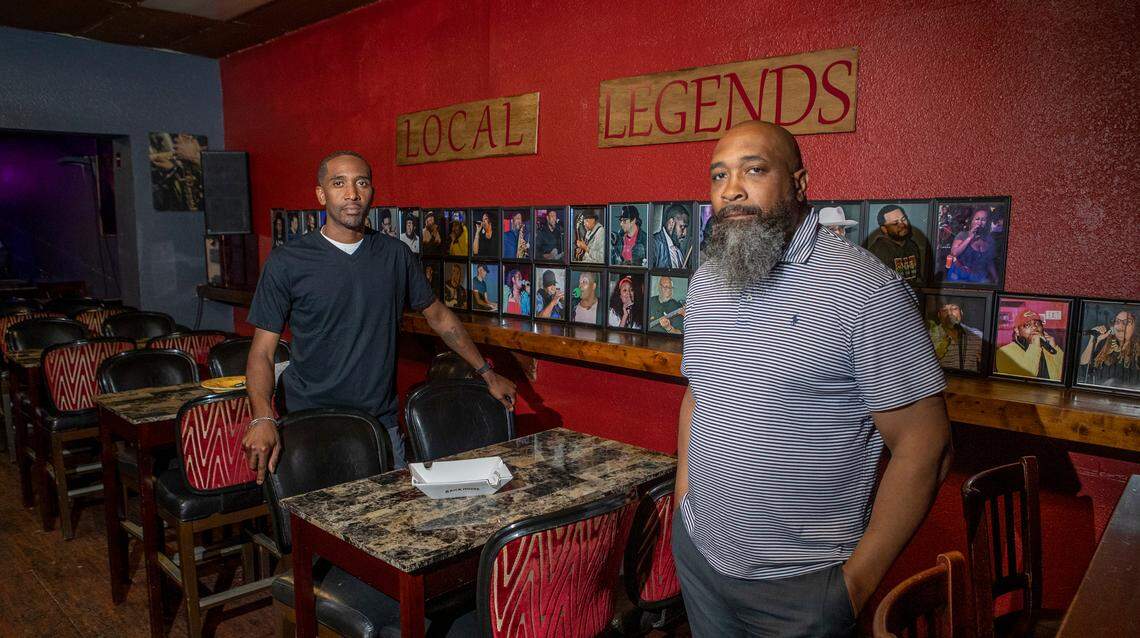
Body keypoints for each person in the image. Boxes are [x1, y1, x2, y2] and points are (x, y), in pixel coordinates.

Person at [675, 121, 951, 637]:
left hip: (804, 588)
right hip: (701, 558)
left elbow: (926, 446)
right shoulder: (708, 279)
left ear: (800, 184)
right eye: (719, 175)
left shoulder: (865, 290)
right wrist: (682, 502)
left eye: (754, 170)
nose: (731, 189)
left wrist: (852, 588)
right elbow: (699, 395)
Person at [242, 151, 515, 478]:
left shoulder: (395, 255)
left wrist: (487, 375)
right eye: (338, 183)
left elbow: (440, 318)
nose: (352, 194)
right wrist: (262, 417)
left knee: (392, 508)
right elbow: (262, 352)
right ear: (321, 194)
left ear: (372, 191)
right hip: (310, 423)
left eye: (361, 183)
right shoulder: (287, 262)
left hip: (379, 424)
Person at [866, 204, 928, 287]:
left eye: (903, 219)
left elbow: (917, 276)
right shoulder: (877, 251)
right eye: (895, 223)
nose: (902, 225)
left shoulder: (912, 246)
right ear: (884, 229)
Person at [994, 309, 1063, 380]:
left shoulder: (1047, 348)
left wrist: (1055, 349)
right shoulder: (1004, 352)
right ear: (1017, 330)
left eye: (1038, 324)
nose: (1034, 327)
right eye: (1027, 325)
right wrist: (1034, 346)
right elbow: (1025, 377)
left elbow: (1062, 375)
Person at [1078, 309, 1139, 388]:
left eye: (1127, 322)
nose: (1121, 325)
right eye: (1117, 321)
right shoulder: (1105, 344)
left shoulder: (1137, 348)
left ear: (1134, 327)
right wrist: (1094, 340)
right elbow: (1084, 365)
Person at [926, 302, 983, 372]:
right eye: (944, 310)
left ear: (961, 312)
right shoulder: (928, 336)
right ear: (939, 315)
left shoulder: (977, 335)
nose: (949, 313)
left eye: (954, 308)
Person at [946, 209, 998, 283]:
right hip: (959, 276)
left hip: (978, 277)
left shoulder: (989, 240)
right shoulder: (963, 235)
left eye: (983, 220)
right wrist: (969, 238)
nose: (979, 222)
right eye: (977, 219)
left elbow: (989, 262)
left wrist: (996, 278)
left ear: (987, 223)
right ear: (972, 221)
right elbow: (954, 253)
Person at [653, 204, 691, 269]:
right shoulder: (655, 243)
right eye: (682, 227)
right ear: (671, 223)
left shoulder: (677, 246)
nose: (685, 233)